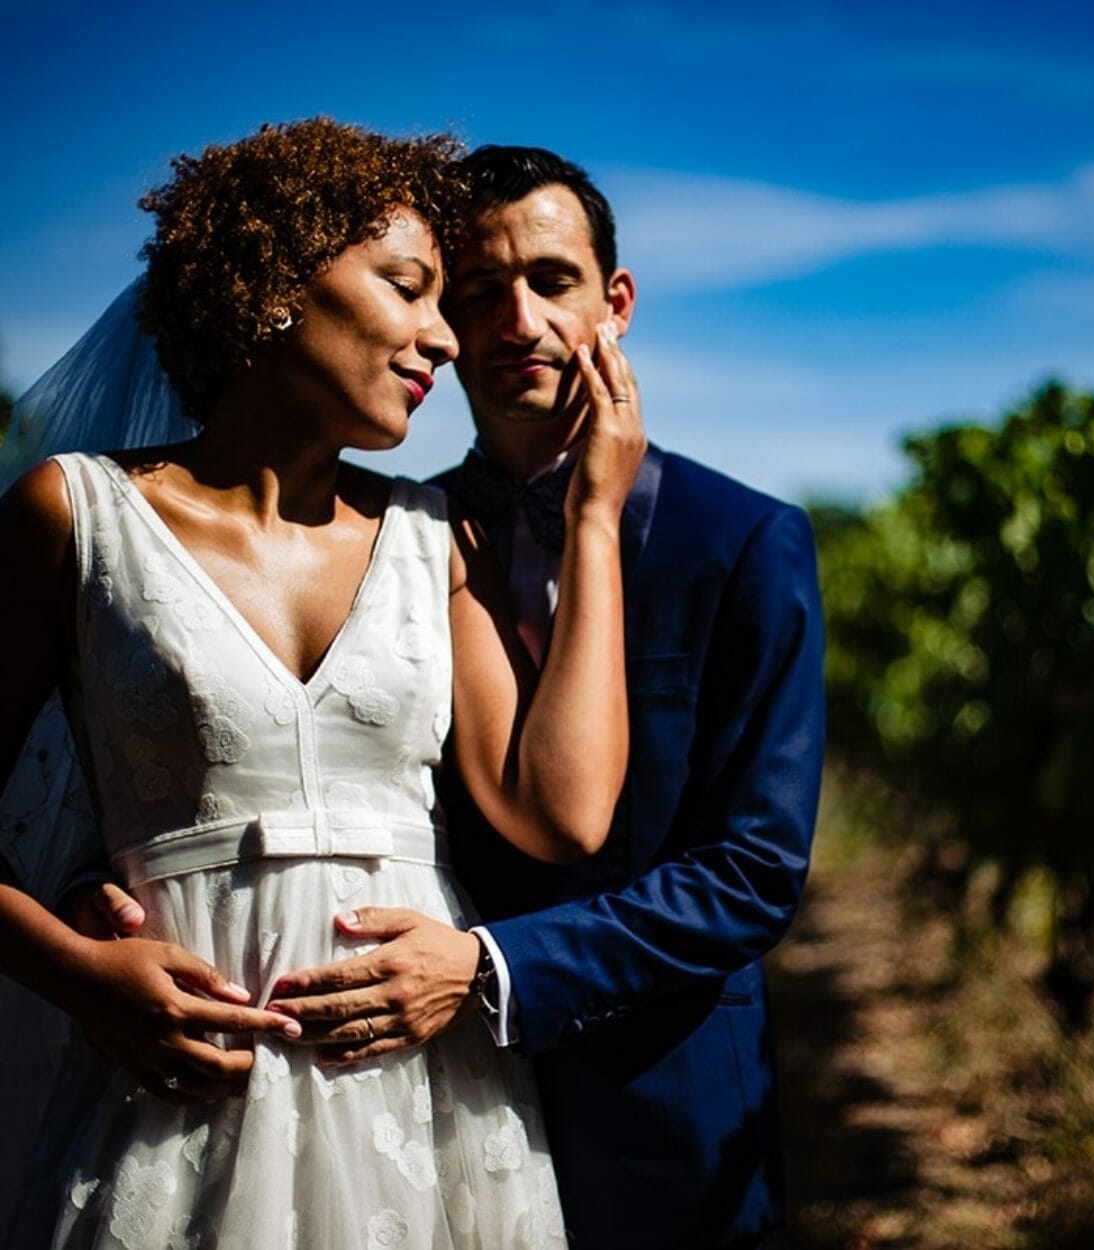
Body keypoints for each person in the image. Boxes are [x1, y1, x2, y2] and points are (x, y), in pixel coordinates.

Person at [0, 119, 645, 1249]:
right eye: (410, 288)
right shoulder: (76, 513)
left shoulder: (429, 536)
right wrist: (80, 976)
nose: (446, 339)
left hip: (422, 1091)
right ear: (274, 284)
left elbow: (561, 809)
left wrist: (594, 514)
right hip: (180, 1080)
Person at [259, 146, 827, 1249]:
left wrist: (492, 968)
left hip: (659, 1103)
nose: (517, 320)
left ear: (615, 303)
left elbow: (756, 872)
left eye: (553, 281)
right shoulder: (386, 531)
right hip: (406, 1105)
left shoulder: (746, 540)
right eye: (478, 291)